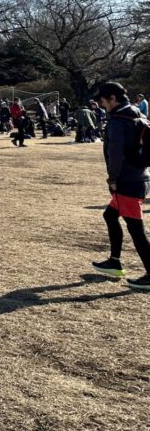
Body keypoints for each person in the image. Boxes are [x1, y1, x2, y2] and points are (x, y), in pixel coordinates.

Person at [89, 83, 150, 290]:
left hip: (127, 181)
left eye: (103, 101)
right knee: (109, 215)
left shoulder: (117, 121)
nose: (102, 105)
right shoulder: (137, 115)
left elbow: (115, 154)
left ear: (112, 98)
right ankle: (114, 261)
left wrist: (112, 179)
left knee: (136, 229)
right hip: (139, 177)